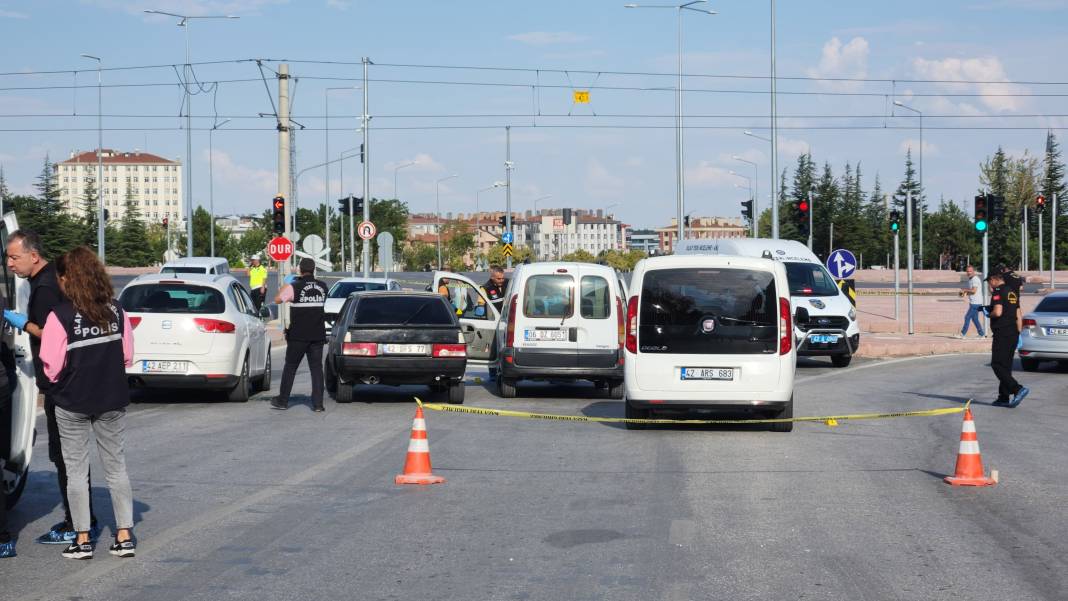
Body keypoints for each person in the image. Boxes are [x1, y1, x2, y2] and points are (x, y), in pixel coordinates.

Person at [3, 230, 98, 545]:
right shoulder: (48, 279)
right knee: (70, 456)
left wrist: (22, 323)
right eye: (7, 257)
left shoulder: (44, 287)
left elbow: (50, 334)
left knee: (65, 457)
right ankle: (83, 518)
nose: (9, 263)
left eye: (14, 257)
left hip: (61, 383)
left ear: (33, 255)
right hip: (70, 379)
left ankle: (77, 523)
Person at [41, 246, 136, 559]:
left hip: (72, 402)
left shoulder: (60, 316)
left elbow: (51, 367)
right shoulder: (116, 310)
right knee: (116, 467)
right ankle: (124, 535)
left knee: (76, 471)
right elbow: (126, 355)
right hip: (111, 398)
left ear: (69, 279)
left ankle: (81, 539)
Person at [272, 258, 328, 412]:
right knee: (316, 369)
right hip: (317, 335)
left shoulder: (294, 287)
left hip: (298, 335)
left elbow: (277, 299)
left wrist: (287, 283)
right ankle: (318, 404)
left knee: (290, 367)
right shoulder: (323, 287)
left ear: (300, 270)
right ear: (314, 269)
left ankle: (283, 401)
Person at [985, 271, 1029, 408]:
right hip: (1013, 333)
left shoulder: (998, 291)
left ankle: (1017, 389)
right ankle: (1003, 397)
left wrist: (989, 313)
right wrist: (1018, 332)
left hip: (1002, 333)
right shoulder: (1012, 291)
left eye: (989, 282)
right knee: (1006, 366)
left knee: (997, 364)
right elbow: (1017, 313)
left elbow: (998, 312)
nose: (989, 285)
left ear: (993, 279)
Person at [958, 265, 985, 338]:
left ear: (973, 271)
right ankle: (981, 334)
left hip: (976, 303)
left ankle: (963, 334)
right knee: (975, 319)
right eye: (967, 271)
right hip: (974, 302)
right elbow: (973, 292)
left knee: (967, 317)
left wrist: (965, 290)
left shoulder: (975, 279)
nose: (969, 272)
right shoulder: (971, 279)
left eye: (970, 271)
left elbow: (974, 290)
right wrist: (965, 293)